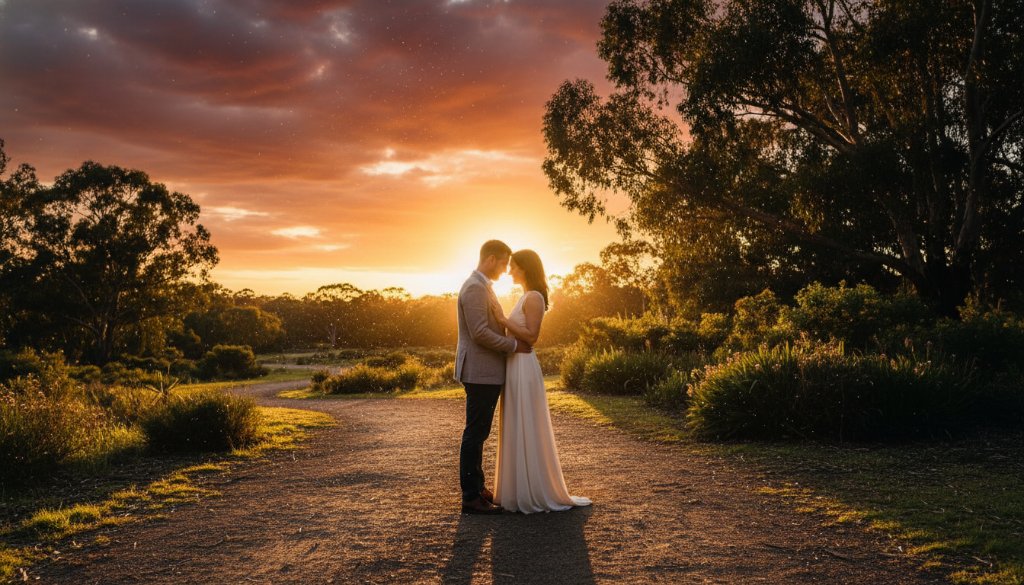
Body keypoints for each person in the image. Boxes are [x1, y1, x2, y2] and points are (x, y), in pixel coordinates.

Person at [489, 249, 591, 513]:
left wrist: (501, 320)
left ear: (525, 268)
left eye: (513, 266)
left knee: (526, 423)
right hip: (515, 366)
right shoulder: (524, 296)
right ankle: (515, 489)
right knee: (516, 422)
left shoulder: (533, 297)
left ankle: (532, 489)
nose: (509, 271)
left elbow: (532, 336)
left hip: (523, 366)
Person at [455, 240, 532, 514]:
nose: (504, 270)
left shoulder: (483, 286)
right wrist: (514, 346)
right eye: (502, 264)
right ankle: (470, 497)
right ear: (490, 259)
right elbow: (480, 333)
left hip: (485, 371)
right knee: (475, 433)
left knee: (480, 431)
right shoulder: (475, 288)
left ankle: (477, 487)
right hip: (480, 371)